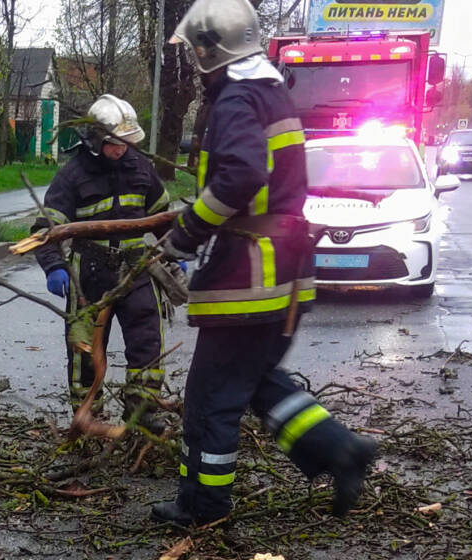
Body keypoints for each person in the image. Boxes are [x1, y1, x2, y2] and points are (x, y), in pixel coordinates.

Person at [151, 0, 377, 526]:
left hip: (249, 276)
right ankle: (340, 449)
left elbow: (240, 176)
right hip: (286, 272)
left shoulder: (236, 99)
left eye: (198, 49)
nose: (195, 59)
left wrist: (185, 235)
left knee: (209, 402)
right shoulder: (271, 90)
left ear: (212, 50)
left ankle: (202, 507)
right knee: (252, 381)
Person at [32, 94, 174, 434]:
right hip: (90, 273)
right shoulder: (73, 175)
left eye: (126, 142)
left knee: (147, 342)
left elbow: (165, 219)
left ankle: (142, 414)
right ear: (96, 140)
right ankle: (87, 416)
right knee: (84, 351)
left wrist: (174, 255)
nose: (121, 149)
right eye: (114, 143)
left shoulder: (142, 169)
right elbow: (46, 228)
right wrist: (54, 266)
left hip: (136, 269)